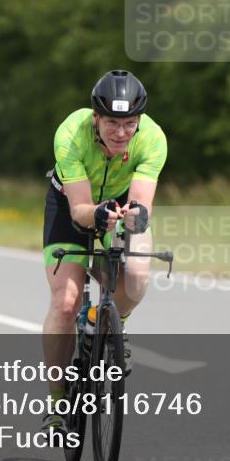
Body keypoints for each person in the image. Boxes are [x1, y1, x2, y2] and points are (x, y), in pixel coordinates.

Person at [40, 70, 167, 433]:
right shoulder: (70, 134)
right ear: (96, 117)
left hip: (122, 200)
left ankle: (111, 321)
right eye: (112, 122)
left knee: (139, 277)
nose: (121, 133)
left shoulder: (154, 138)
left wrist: (135, 217)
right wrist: (97, 216)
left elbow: (142, 203)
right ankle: (58, 403)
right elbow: (81, 208)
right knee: (65, 303)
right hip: (71, 205)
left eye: (130, 124)